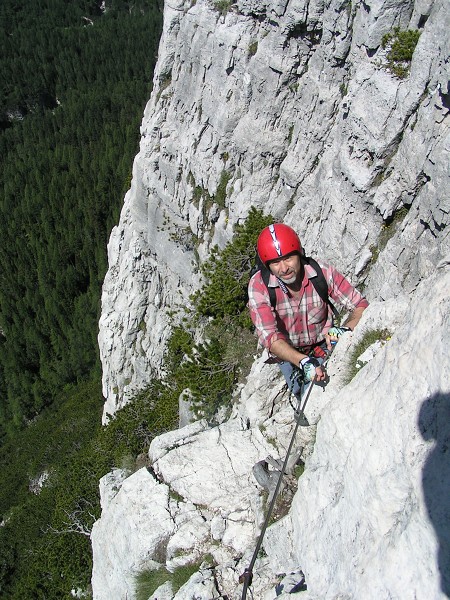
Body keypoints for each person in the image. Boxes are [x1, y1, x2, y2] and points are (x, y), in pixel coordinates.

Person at [248, 223, 369, 401]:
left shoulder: (322, 272)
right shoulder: (259, 287)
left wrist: (345, 329)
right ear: (267, 265)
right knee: (299, 391)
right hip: (288, 352)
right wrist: (302, 361)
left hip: (324, 346)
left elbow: (360, 304)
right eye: (275, 263)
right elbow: (270, 337)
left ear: (299, 253)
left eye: (288, 258)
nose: (283, 268)